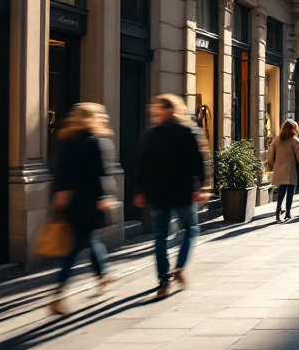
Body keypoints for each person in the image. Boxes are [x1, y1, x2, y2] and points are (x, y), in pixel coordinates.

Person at [133, 94, 210, 298]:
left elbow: (140, 165)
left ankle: (163, 278)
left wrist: (140, 190)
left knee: (161, 237)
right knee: (191, 230)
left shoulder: (150, 135)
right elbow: (199, 163)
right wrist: (200, 187)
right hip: (183, 193)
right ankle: (179, 267)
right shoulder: (188, 132)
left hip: (158, 194)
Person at [49, 103, 118, 315]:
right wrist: (105, 196)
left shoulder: (65, 140)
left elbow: (58, 170)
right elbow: (102, 174)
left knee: (90, 239)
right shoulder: (97, 142)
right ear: (92, 118)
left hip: (70, 202)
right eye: (100, 116)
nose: (104, 119)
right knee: (75, 248)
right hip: (90, 202)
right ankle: (58, 294)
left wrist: (59, 193)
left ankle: (103, 275)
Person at [268, 119, 299, 223]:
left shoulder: (276, 140)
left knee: (282, 190)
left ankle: (278, 211)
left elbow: (270, 154)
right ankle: (288, 212)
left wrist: (272, 164)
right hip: (290, 168)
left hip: (279, 169)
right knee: (290, 191)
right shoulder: (295, 140)